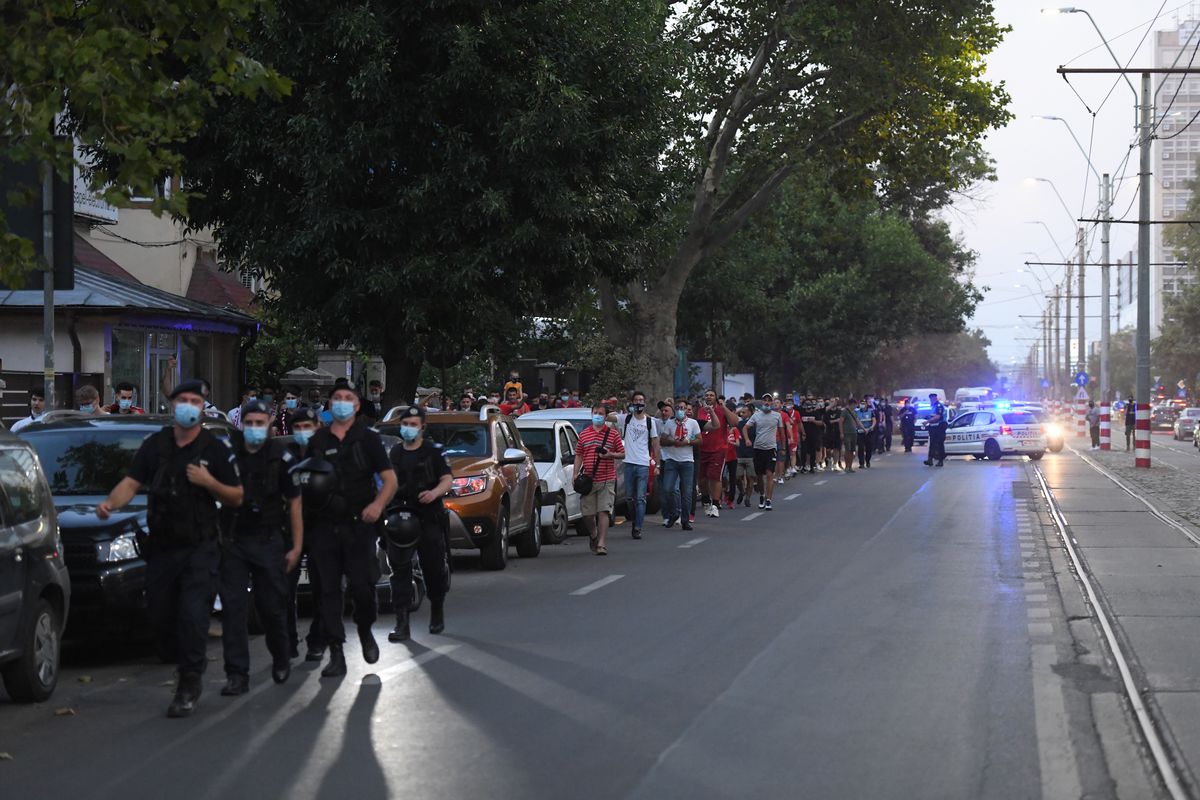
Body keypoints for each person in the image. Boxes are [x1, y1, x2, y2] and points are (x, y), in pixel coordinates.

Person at [96, 380, 243, 717]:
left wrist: (209, 483)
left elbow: (236, 496)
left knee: (193, 615)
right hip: (162, 547)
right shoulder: (155, 445)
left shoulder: (213, 449)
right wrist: (110, 504)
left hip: (200, 547)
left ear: (203, 407)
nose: (188, 405)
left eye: (195, 401)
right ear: (173, 405)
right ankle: (183, 660)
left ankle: (189, 681)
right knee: (161, 614)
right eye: (183, 400)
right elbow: (130, 483)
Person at [302, 382, 397, 677]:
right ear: (330, 405)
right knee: (327, 591)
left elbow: (390, 480)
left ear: (357, 406)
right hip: (324, 527)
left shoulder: (368, 440)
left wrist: (377, 506)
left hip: (359, 525)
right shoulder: (317, 440)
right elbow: (306, 481)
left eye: (348, 398)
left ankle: (366, 630)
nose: (342, 402)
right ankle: (336, 652)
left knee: (363, 588)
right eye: (337, 398)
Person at [219, 400, 303, 696]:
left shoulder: (280, 457)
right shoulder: (229, 456)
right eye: (249, 423)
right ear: (241, 425)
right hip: (234, 541)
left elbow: (294, 503)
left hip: (268, 540)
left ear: (269, 424)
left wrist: (296, 546)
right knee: (233, 609)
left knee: (271, 606)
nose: (254, 428)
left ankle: (280, 655)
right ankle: (236, 674)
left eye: (259, 422)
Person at [384, 406, 453, 642]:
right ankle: (402, 622)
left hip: (428, 517)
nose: (409, 428)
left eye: (414, 424)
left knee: (433, 568)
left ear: (422, 427)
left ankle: (437, 609)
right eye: (406, 424)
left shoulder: (434, 451)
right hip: (400, 516)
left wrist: (434, 494)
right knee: (400, 571)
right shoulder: (395, 452)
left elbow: (447, 479)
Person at [284, 408, 326, 662]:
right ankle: (288, 639)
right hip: (287, 529)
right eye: (297, 427)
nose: (302, 432)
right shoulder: (283, 455)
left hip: (319, 527)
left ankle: (317, 639)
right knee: (284, 588)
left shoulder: (326, 453)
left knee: (322, 586)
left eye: (307, 426)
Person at [574, 405, 625, 555]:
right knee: (588, 514)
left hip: (607, 479)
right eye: (595, 413)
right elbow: (579, 454)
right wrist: (575, 473)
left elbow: (622, 454)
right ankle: (594, 534)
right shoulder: (584, 434)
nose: (597, 416)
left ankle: (601, 543)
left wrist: (610, 455)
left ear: (605, 416)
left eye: (600, 414)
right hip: (588, 481)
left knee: (604, 511)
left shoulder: (613, 434)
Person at [617, 390, 660, 539]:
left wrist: (658, 465)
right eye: (636, 400)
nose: (639, 403)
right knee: (629, 498)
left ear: (645, 403)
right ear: (632, 403)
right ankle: (635, 518)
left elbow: (655, 443)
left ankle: (638, 527)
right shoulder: (626, 419)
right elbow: (609, 417)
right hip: (629, 463)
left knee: (641, 497)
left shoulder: (650, 422)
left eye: (641, 400)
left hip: (643, 463)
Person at [696, 389, 739, 518]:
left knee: (715, 477)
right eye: (707, 395)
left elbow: (735, 422)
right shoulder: (701, 410)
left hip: (718, 449)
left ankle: (715, 504)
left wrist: (723, 407)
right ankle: (705, 499)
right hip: (703, 449)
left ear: (715, 398)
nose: (708, 397)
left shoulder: (721, 410)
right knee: (702, 479)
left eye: (711, 395)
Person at [660, 401, 700, 530]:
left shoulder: (693, 423)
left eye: (682, 408)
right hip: (672, 460)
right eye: (677, 408)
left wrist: (688, 441)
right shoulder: (670, 423)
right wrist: (672, 441)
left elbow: (700, 439)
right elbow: (662, 440)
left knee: (687, 492)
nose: (680, 410)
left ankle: (685, 520)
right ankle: (674, 513)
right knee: (667, 489)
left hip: (687, 461)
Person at [745, 395, 781, 510]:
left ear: (772, 403)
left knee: (770, 474)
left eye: (769, 401)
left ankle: (769, 500)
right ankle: (762, 495)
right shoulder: (756, 415)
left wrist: (784, 447)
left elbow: (782, 432)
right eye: (765, 400)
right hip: (758, 448)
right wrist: (747, 439)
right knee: (759, 476)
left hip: (771, 449)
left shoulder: (777, 415)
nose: (767, 402)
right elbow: (745, 428)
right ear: (762, 402)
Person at [733, 404, 756, 506]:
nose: (742, 414)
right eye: (741, 412)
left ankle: (747, 498)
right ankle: (742, 491)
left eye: (744, 412)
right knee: (737, 477)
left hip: (751, 455)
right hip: (739, 454)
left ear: (751, 413)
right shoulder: (739, 424)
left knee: (750, 477)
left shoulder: (755, 424)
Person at [924, 393, 949, 467]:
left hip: (939, 427)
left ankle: (940, 461)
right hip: (933, 427)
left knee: (939, 444)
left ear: (935, 398)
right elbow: (932, 416)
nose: (931, 400)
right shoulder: (933, 406)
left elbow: (937, 417)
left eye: (932, 398)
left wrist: (927, 421)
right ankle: (930, 460)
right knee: (932, 444)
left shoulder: (939, 406)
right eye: (931, 399)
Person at [855, 399, 877, 469]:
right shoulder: (857, 412)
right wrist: (864, 429)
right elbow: (857, 421)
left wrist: (871, 427)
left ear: (866, 404)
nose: (862, 405)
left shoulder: (871, 412)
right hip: (860, 432)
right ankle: (861, 463)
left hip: (869, 432)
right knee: (861, 447)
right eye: (861, 403)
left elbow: (874, 421)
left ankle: (867, 461)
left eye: (864, 403)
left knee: (869, 448)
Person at [841, 397, 861, 473]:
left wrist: (864, 429)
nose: (856, 406)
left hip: (854, 433)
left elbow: (857, 421)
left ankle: (850, 466)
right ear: (852, 404)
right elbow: (840, 422)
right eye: (855, 405)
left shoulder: (854, 412)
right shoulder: (845, 412)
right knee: (847, 450)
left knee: (853, 450)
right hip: (847, 433)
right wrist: (841, 433)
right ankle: (846, 466)